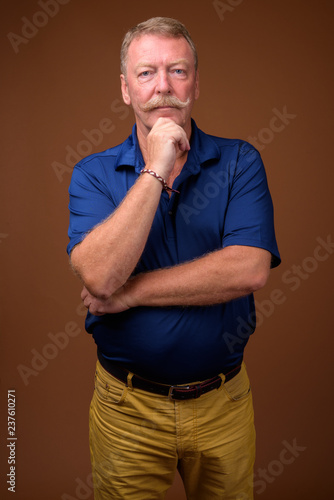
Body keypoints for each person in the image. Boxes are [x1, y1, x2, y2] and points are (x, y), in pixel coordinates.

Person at [67, 16, 280, 500]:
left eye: (177, 70)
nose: (163, 86)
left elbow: (249, 268)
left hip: (223, 403)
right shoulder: (93, 174)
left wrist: (134, 292)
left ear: (196, 83)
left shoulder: (240, 161)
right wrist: (156, 168)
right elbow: (100, 276)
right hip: (127, 409)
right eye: (146, 73)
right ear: (126, 89)